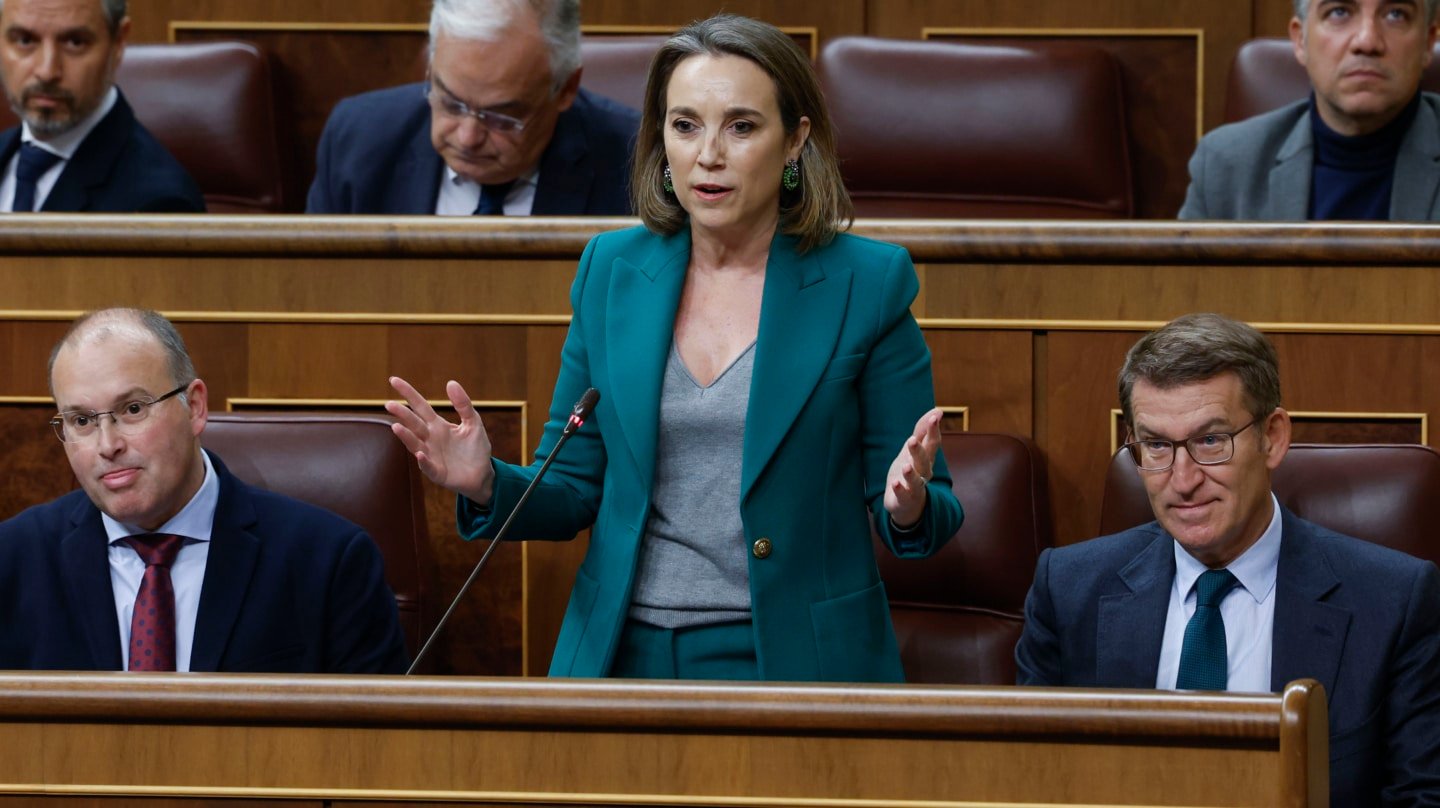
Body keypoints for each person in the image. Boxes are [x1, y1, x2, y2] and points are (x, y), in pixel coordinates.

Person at [388, 13, 964, 682]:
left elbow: (931, 510)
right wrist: (486, 482)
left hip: (792, 659)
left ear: (794, 141)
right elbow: (572, 488)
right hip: (619, 656)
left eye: (741, 126)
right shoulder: (612, 271)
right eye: (684, 124)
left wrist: (907, 504)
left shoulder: (865, 282)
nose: (708, 154)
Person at [1015, 313, 1440, 805]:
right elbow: (1031, 782)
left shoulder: (1393, 602)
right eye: (1156, 445)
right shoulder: (1068, 591)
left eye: (1210, 441)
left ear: (1272, 437)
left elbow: (1421, 797)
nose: (1184, 478)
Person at [0, 308, 407, 673]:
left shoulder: (328, 561)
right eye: (82, 420)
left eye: (133, 409)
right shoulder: (13, 560)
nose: (108, 445)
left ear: (194, 407)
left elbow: (370, 749)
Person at [306, 0, 639, 216]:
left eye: (501, 117)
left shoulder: (637, 162)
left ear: (566, 87)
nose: (467, 137)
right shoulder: (357, 139)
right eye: (450, 103)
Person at [1180, 0, 1440, 220]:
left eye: (1396, 15)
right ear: (1300, 40)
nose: (1367, 41)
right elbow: (1190, 281)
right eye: (1339, 12)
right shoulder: (1225, 166)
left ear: (1428, 43)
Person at [0, 0, 204, 212]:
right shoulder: (6, 149)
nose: (47, 71)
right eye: (25, 40)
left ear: (118, 41)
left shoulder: (160, 204)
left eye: (75, 42)